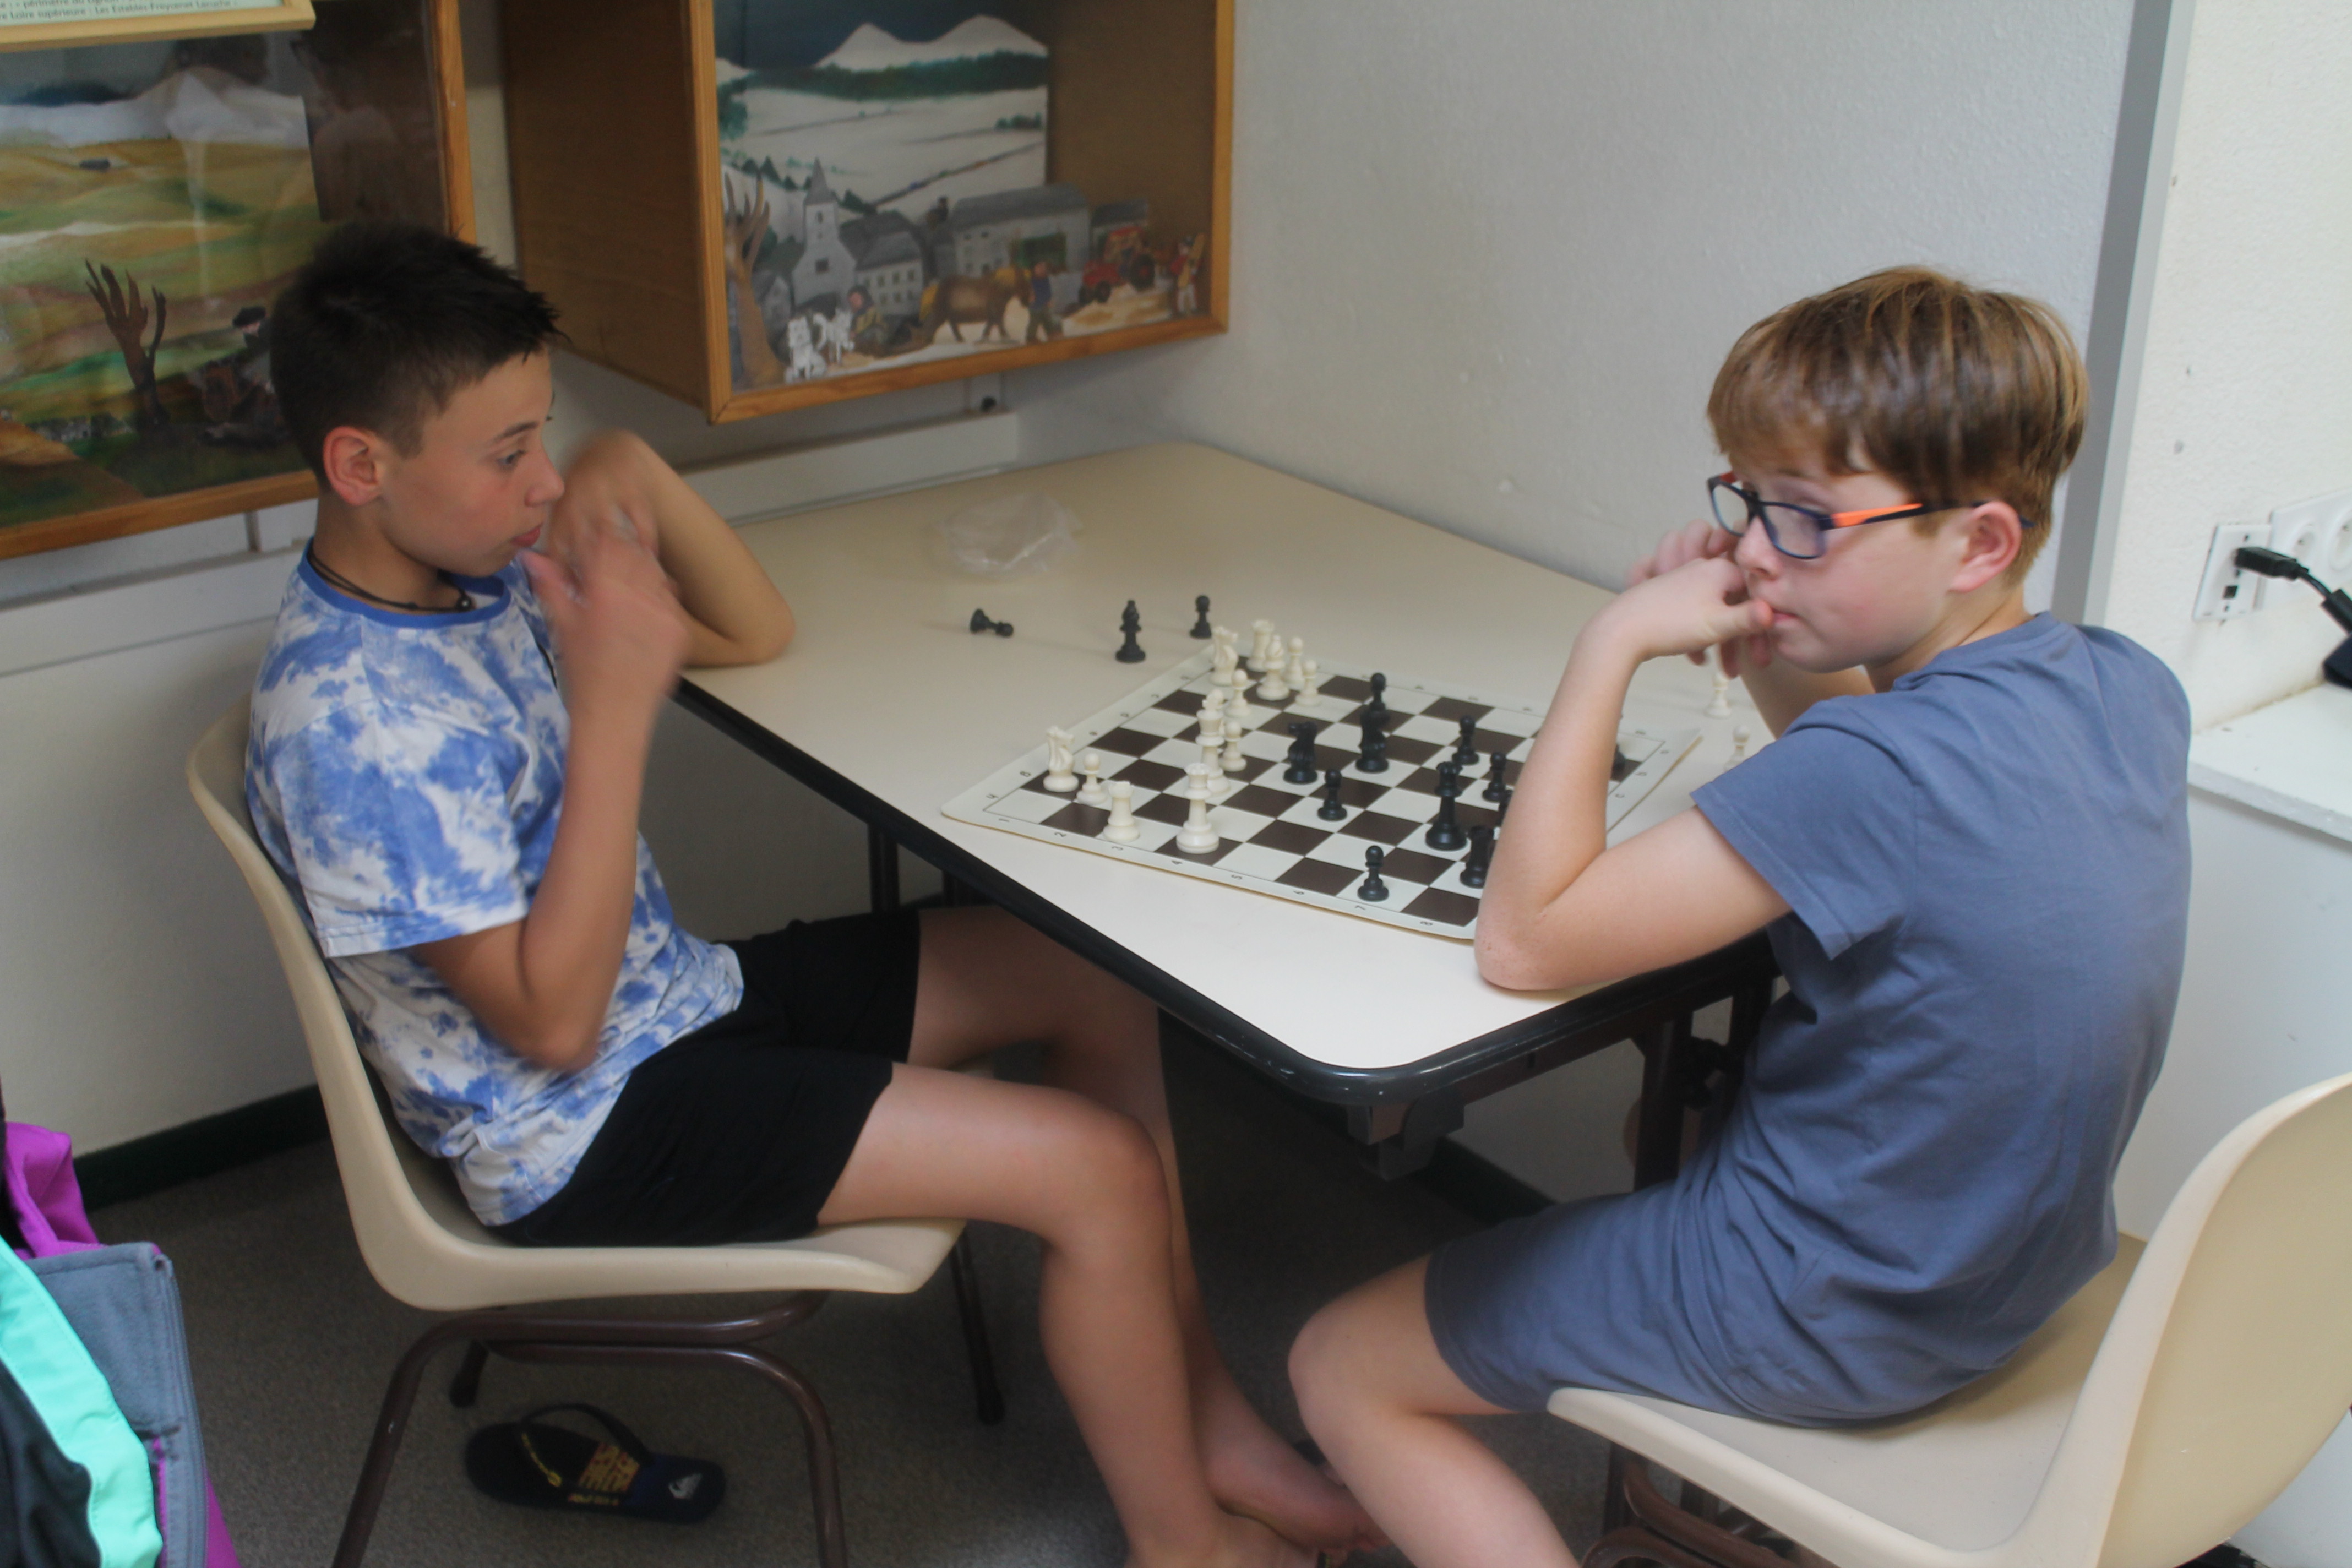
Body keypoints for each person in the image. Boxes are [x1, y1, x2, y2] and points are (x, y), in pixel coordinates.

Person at [245, 222, 1374, 1568]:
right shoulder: (352, 725)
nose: (544, 483)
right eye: (508, 455)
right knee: (1102, 1172)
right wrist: (615, 713)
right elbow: (550, 1027)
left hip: (677, 1005)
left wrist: (630, 464)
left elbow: (756, 628)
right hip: (581, 1126)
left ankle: (1217, 1431)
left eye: (545, 435)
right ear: (360, 465)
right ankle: (1185, 1543)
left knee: (1090, 975)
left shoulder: (466, 575)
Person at [1288, 267, 2191, 1567]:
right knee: (1667, 1125)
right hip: (2010, 1270)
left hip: (1834, 1308)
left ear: (1980, 543)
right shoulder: (2125, 687)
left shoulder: (1874, 773)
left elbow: (1525, 940)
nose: (1758, 548)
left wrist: (1611, 642)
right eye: (1750, 500)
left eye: (1809, 519)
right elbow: (1878, 803)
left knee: (1339, 1360)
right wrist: (1773, 641)